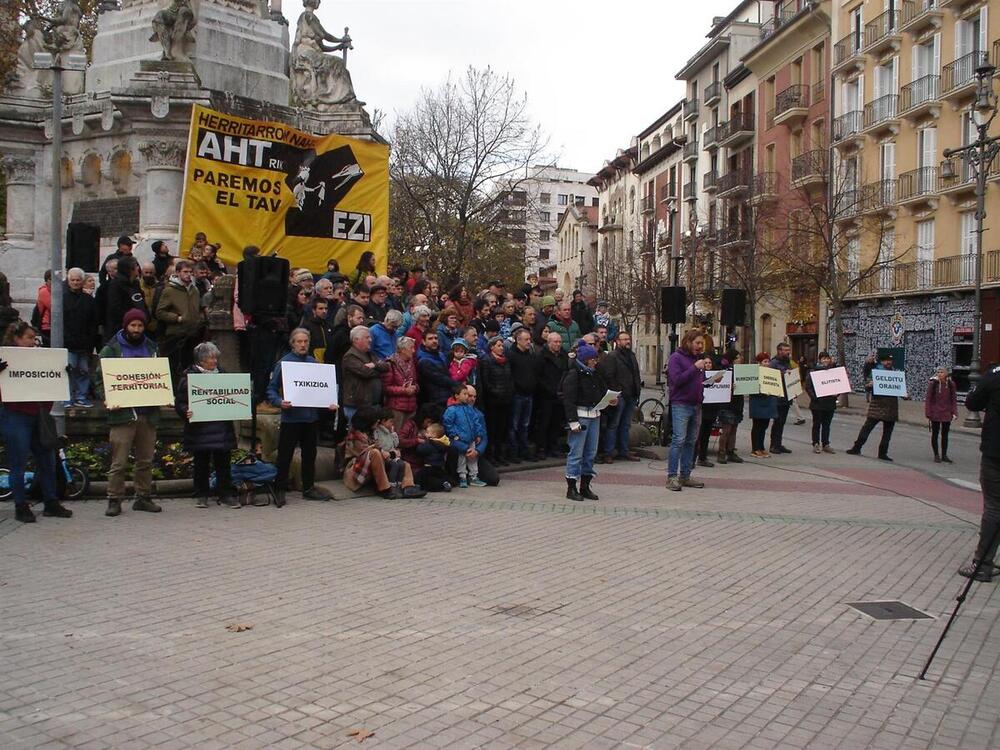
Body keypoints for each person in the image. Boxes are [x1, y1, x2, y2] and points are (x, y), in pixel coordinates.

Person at [0, 321, 74, 523]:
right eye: (29, 338)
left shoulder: (41, 359)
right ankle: (20, 505)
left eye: (34, 338)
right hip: (16, 415)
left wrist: (62, 373)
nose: (34, 342)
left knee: (48, 460)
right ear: (16, 339)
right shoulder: (5, 359)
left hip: (39, 415)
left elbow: (48, 381)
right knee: (19, 462)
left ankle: (51, 502)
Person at [94, 309, 163, 517]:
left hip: (147, 413)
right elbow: (99, 380)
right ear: (126, 326)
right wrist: (106, 397)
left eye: (140, 325)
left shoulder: (151, 347)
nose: (137, 329)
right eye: (133, 325)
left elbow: (158, 376)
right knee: (119, 461)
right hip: (122, 414)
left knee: (145, 460)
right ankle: (114, 498)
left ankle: (143, 496)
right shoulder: (111, 349)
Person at [266, 328, 340, 506]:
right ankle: (279, 488)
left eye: (305, 341)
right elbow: (271, 389)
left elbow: (320, 388)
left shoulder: (313, 362)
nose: (303, 345)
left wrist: (329, 402)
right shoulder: (284, 363)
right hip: (291, 417)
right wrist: (279, 401)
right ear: (292, 343)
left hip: (310, 418)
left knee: (310, 454)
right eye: (299, 341)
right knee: (285, 455)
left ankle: (308, 487)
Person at [174, 342, 240, 509]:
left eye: (215, 357)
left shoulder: (223, 374)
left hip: (221, 427)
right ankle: (201, 494)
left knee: (223, 463)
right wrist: (185, 411)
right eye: (210, 357)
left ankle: (225, 493)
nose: (214, 361)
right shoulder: (188, 377)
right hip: (200, 428)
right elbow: (180, 402)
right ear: (201, 360)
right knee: (201, 463)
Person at [958, 361, 1000, 582]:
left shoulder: (994, 374)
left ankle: (982, 564)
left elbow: (972, 402)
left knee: (994, 507)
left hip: (996, 453)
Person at [562, 343, 613, 501]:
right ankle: (571, 487)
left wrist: (609, 399)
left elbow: (601, 391)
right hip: (581, 416)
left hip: (594, 415)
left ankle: (585, 486)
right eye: (593, 359)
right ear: (586, 359)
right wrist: (573, 421)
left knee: (590, 453)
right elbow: (569, 399)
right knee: (576, 452)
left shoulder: (594, 373)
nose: (595, 362)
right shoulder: (574, 374)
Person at [343, 406, 425, 498]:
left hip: (376, 463)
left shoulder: (372, 432)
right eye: (375, 420)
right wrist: (387, 453)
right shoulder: (356, 435)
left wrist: (391, 453)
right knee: (375, 453)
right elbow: (366, 452)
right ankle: (384, 488)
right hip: (356, 468)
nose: (377, 422)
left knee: (405, 464)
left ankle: (408, 487)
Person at [666, 330, 708, 491]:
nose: (700, 346)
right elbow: (676, 380)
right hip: (681, 404)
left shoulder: (698, 358)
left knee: (691, 441)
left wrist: (710, 380)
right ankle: (671, 476)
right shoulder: (676, 358)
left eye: (701, 344)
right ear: (689, 342)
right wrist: (693, 368)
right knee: (679, 440)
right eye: (697, 343)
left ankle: (685, 475)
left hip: (696, 404)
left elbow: (699, 381)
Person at [598, 330, 642, 463]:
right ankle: (608, 452)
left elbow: (635, 374)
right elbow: (609, 376)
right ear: (617, 341)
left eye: (628, 339)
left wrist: (637, 389)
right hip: (620, 396)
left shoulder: (632, 356)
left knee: (626, 425)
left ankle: (624, 450)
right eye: (624, 339)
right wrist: (617, 391)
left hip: (631, 395)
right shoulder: (612, 356)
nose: (627, 341)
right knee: (614, 424)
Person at [155, 259, 203, 382]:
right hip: (176, 334)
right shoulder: (169, 290)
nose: (188, 274)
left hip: (192, 333)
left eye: (191, 272)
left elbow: (198, 307)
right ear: (177, 273)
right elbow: (160, 312)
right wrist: (177, 318)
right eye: (185, 271)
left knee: (190, 365)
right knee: (174, 366)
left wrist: (200, 319)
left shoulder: (194, 290)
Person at [846, 352, 899, 461]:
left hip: (891, 407)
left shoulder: (895, 373)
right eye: (886, 360)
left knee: (887, 433)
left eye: (890, 360)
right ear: (882, 362)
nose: (888, 362)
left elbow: (900, 388)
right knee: (867, 428)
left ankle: (883, 452)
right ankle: (857, 447)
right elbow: (867, 385)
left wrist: (906, 395)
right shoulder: (876, 372)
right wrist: (869, 385)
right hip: (877, 405)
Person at [63, 267, 99, 407]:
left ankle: (81, 396)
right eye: (73, 280)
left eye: (78, 280)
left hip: (84, 342)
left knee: (83, 370)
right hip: (68, 342)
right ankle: (68, 397)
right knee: (69, 370)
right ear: (68, 281)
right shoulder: (63, 298)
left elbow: (93, 321)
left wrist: (90, 340)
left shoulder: (89, 300)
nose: (76, 283)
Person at [340, 325, 389, 424]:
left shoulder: (370, 354)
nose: (370, 340)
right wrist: (378, 369)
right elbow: (365, 372)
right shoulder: (350, 356)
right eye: (367, 337)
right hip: (355, 405)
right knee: (355, 434)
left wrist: (374, 365)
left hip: (370, 404)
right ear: (356, 339)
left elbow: (386, 366)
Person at [443, 384, 489, 488]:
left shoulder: (469, 409)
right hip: (461, 439)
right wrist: (454, 436)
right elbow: (448, 424)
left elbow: (476, 421)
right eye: (465, 394)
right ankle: (462, 476)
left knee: (473, 459)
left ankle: (473, 476)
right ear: (456, 395)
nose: (467, 397)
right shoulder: (451, 410)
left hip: (471, 439)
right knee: (462, 459)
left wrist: (478, 434)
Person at [479, 335, 514, 465]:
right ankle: (490, 455)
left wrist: (509, 392)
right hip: (493, 401)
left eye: (502, 346)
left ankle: (499, 454)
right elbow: (486, 381)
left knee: (502, 429)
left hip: (505, 400)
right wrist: (496, 392)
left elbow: (510, 378)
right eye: (498, 345)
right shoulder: (486, 361)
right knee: (492, 429)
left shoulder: (506, 360)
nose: (501, 348)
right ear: (492, 347)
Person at [533, 331, 568, 459]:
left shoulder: (563, 355)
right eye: (555, 342)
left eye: (560, 342)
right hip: (546, 395)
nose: (558, 344)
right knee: (544, 423)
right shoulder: (541, 356)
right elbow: (538, 376)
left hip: (560, 394)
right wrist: (548, 389)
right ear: (549, 343)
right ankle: (541, 448)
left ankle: (553, 447)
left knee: (556, 423)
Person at [507, 328, 540, 462]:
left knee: (525, 424)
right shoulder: (511, 355)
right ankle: (514, 452)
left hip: (529, 394)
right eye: (526, 340)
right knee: (514, 425)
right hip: (517, 395)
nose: (529, 342)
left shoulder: (530, 355)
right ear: (518, 340)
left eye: (529, 339)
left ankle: (524, 450)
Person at [103, 256, 148, 344]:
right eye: (136, 266)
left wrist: (145, 317)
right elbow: (115, 308)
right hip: (120, 330)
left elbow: (141, 302)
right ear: (129, 269)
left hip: (138, 329)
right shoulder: (115, 285)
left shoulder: (135, 284)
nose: (138, 268)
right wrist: (132, 318)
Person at [382, 336, 419, 430]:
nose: (414, 351)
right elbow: (386, 388)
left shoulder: (411, 363)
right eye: (411, 348)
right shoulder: (390, 363)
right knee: (396, 436)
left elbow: (415, 381)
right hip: (396, 408)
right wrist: (404, 390)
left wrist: (415, 388)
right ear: (402, 350)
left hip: (411, 406)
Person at [806, 351, 838, 454]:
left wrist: (836, 395)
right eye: (823, 358)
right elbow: (808, 387)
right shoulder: (813, 372)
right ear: (819, 360)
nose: (826, 360)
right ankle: (815, 443)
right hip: (817, 404)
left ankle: (826, 444)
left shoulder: (833, 372)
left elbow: (838, 385)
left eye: (827, 358)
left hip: (830, 403)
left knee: (827, 425)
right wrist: (815, 397)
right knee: (817, 424)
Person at [716, 349, 744, 464]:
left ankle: (731, 451)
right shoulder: (725, 370)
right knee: (726, 430)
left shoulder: (742, 371)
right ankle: (721, 452)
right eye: (737, 357)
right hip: (727, 404)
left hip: (737, 402)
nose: (740, 359)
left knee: (734, 429)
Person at [416, 330, 457, 408]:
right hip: (436, 401)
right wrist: (457, 384)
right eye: (430, 339)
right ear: (423, 342)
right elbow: (440, 379)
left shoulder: (441, 355)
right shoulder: (424, 361)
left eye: (436, 338)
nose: (434, 341)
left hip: (448, 396)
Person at [925, 366, 958, 463]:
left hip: (946, 412)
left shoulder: (951, 384)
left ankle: (944, 454)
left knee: (945, 434)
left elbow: (953, 399)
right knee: (935, 433)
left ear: (946, 373)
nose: (940, 374)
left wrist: (954, 412)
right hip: (935, 412)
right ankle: (936, 454)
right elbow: (928, 398)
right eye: (938, 372)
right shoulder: (933, 383)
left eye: (942, 372)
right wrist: (928, 411)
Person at [749, 352, 778, 458]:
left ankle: (761, 447)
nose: (767, 363)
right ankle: (755, 448)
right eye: (764, 362)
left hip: (768, 403)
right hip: (758, 402)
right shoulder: (754, 373)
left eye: (768, 361)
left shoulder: (770, 373)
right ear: (759, 363)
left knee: (764, 426)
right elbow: (751, 388)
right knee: (757, 426)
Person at [768, 342, 794, 454]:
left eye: (788, 350)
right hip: (778, 397)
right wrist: (783, 374)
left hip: (786, 396)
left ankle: (778, 443)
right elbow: (771, 377)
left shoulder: (787, 362)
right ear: (779, 351)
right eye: (785, 350)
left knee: (782, 422)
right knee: (777, 422)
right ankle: (773, 445)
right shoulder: (774, 363)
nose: (788, 352)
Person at [35, 270, 52, 346]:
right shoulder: (44, 291)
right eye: (51, 279)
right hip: (47, 326)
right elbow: (52, 306)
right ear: (46, 280)